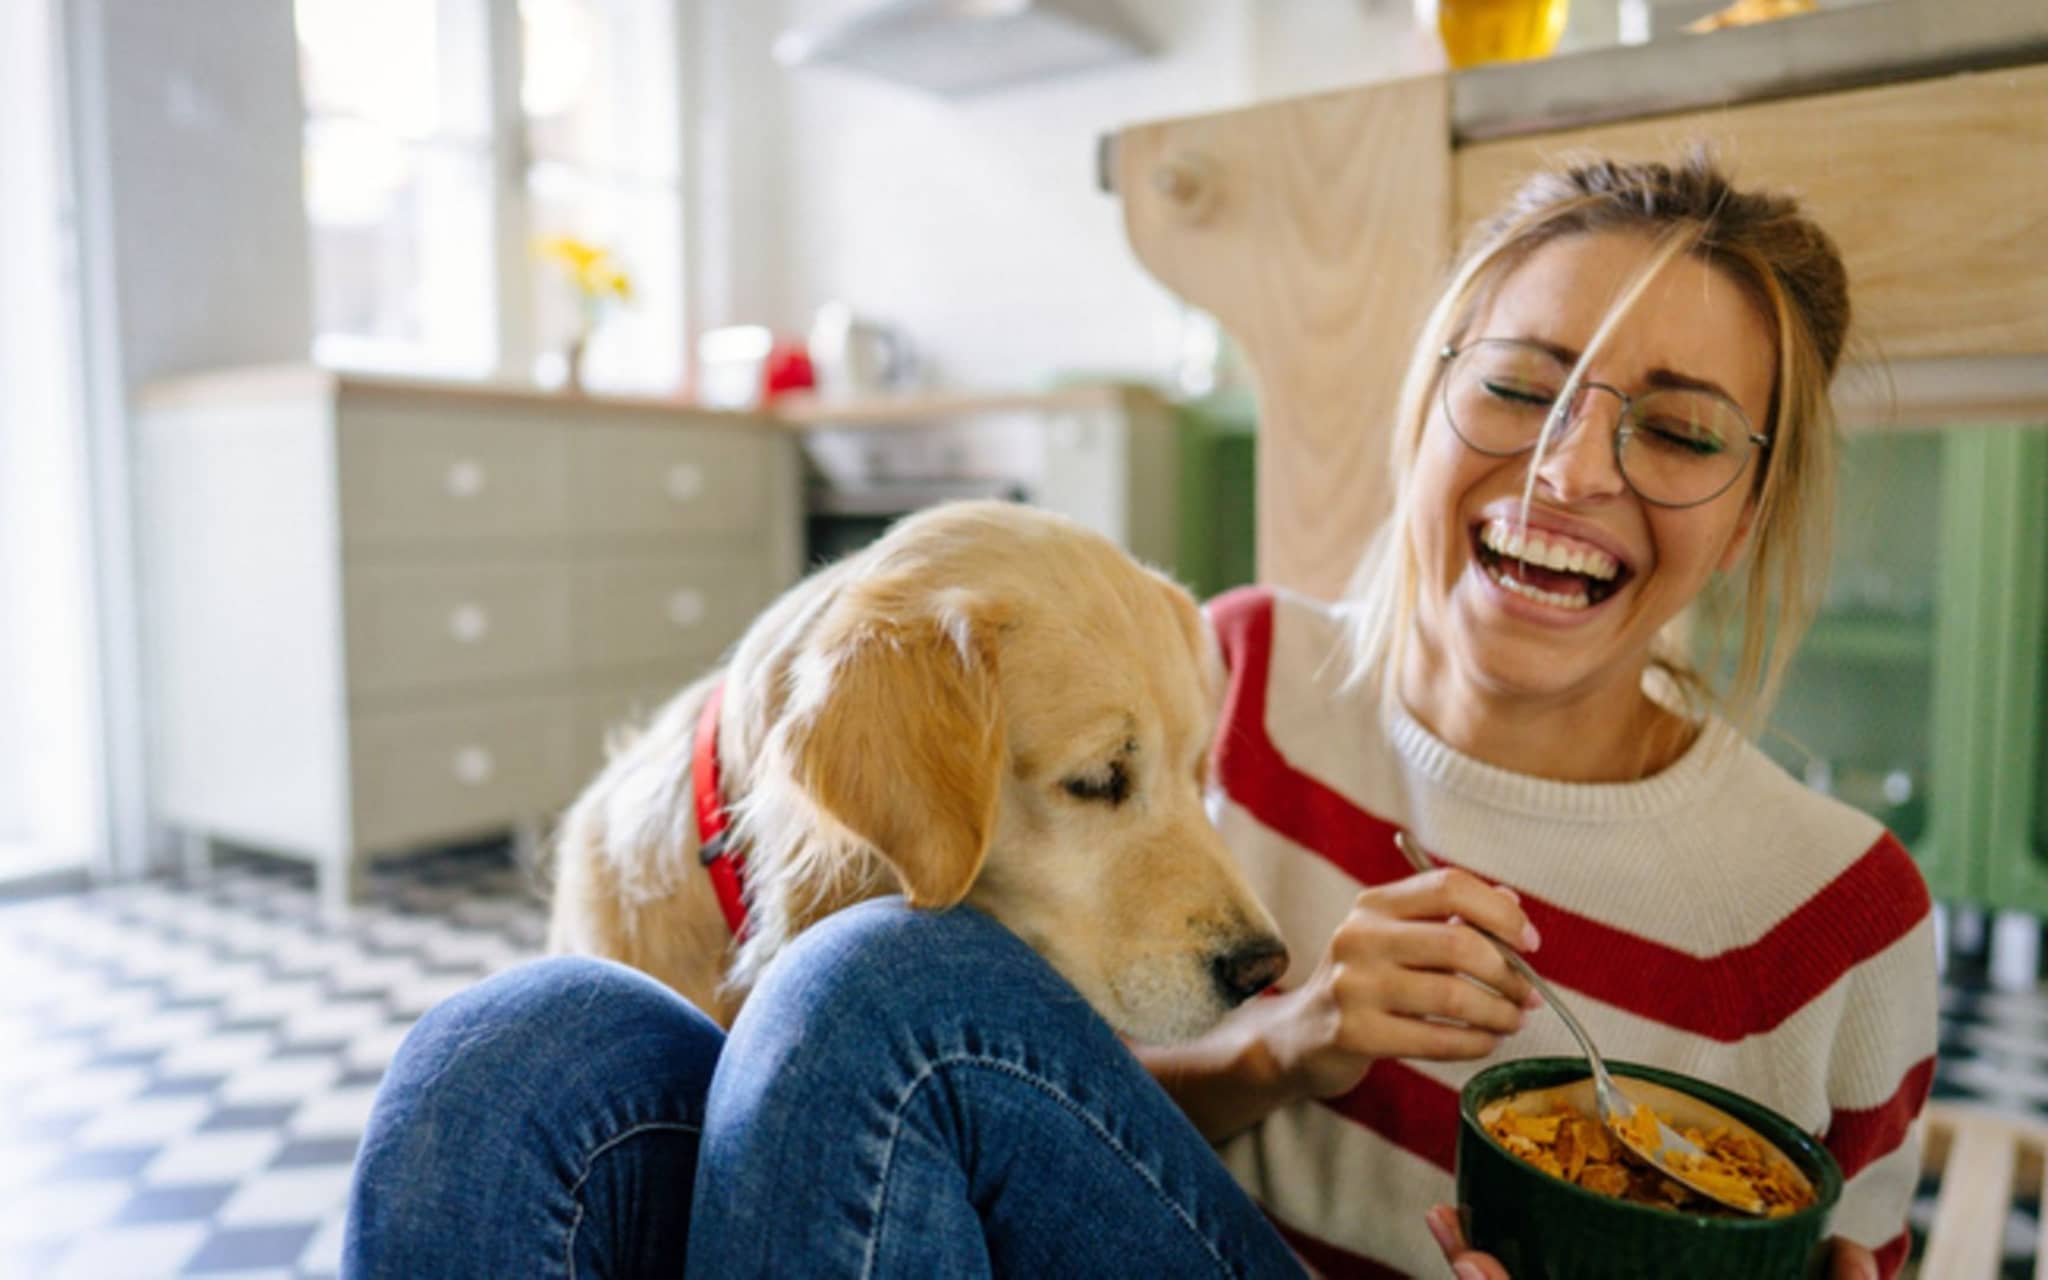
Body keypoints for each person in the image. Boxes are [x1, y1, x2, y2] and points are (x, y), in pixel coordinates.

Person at [343, 153, 1935, 1279]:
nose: (1571, 471)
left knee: (873, 983)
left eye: (1680, 431)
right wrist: (1283, 1046)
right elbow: (1016, 1108)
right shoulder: (1222, 671)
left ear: (1754, 507)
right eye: (1520, 386)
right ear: (1429, 402)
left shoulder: (1841, 920)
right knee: (508, 1054)